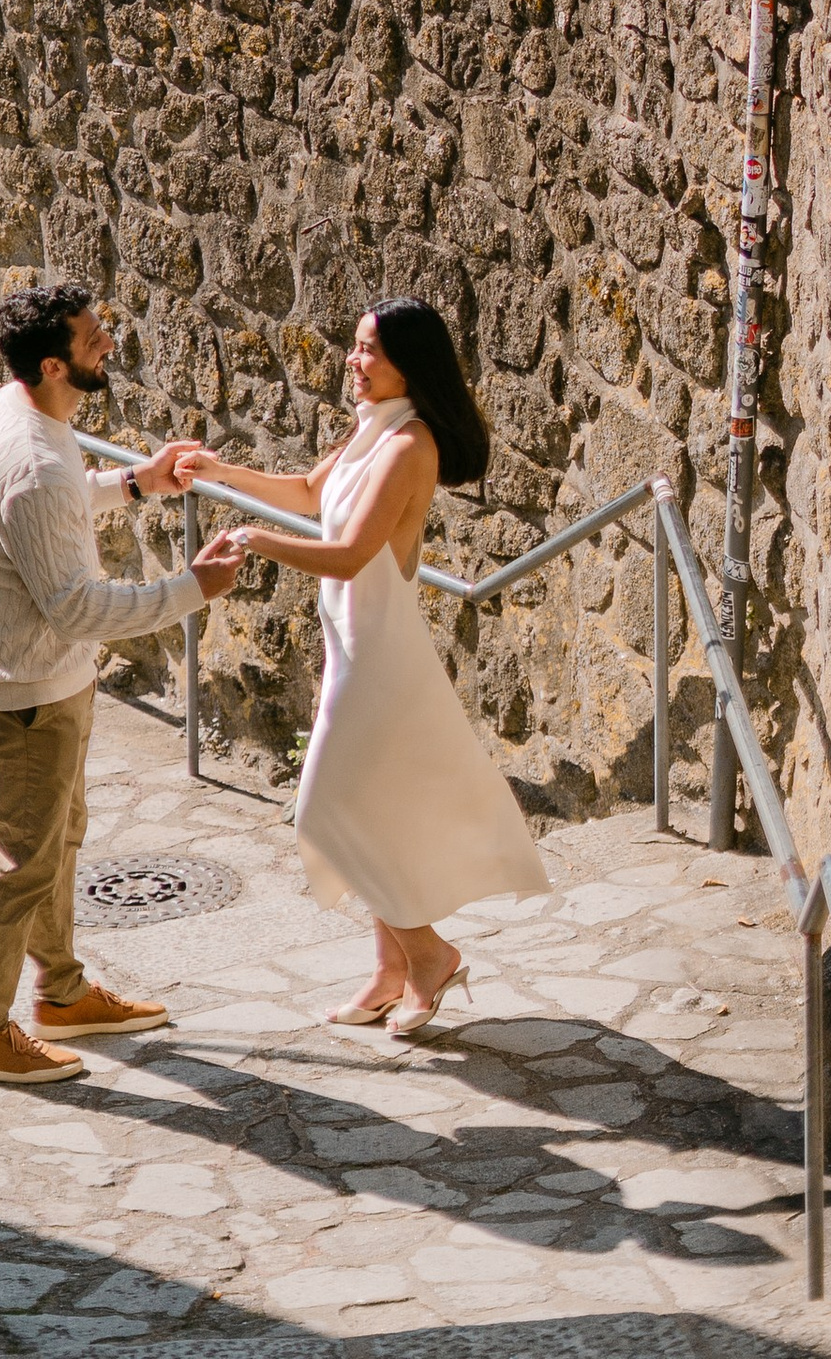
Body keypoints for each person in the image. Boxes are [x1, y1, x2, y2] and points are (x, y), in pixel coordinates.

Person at [147, 298, 546, 1032]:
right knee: (368, 809)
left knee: (327, 813)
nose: (354, 361)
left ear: (409, 367)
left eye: (371, 351)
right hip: (352, 652)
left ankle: (430, 955)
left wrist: (255, 540)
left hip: (380, 661)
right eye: (356, 345)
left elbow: (351, 554)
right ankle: (391, 970)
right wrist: (218, 470)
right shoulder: (374, 430)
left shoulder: (408, 446)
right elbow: (309, 491)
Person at [0, 279, 244, 1086]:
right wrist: (192, 590)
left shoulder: (18, 411)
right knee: (23, 866)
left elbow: (59, 508)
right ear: (53, 365)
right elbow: (76, 607)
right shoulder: (35, 459)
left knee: (59, 840)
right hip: (27, 693)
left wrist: (139, 482)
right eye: (91, 338)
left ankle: (63, 993)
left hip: (45, 680)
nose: (108, 341)